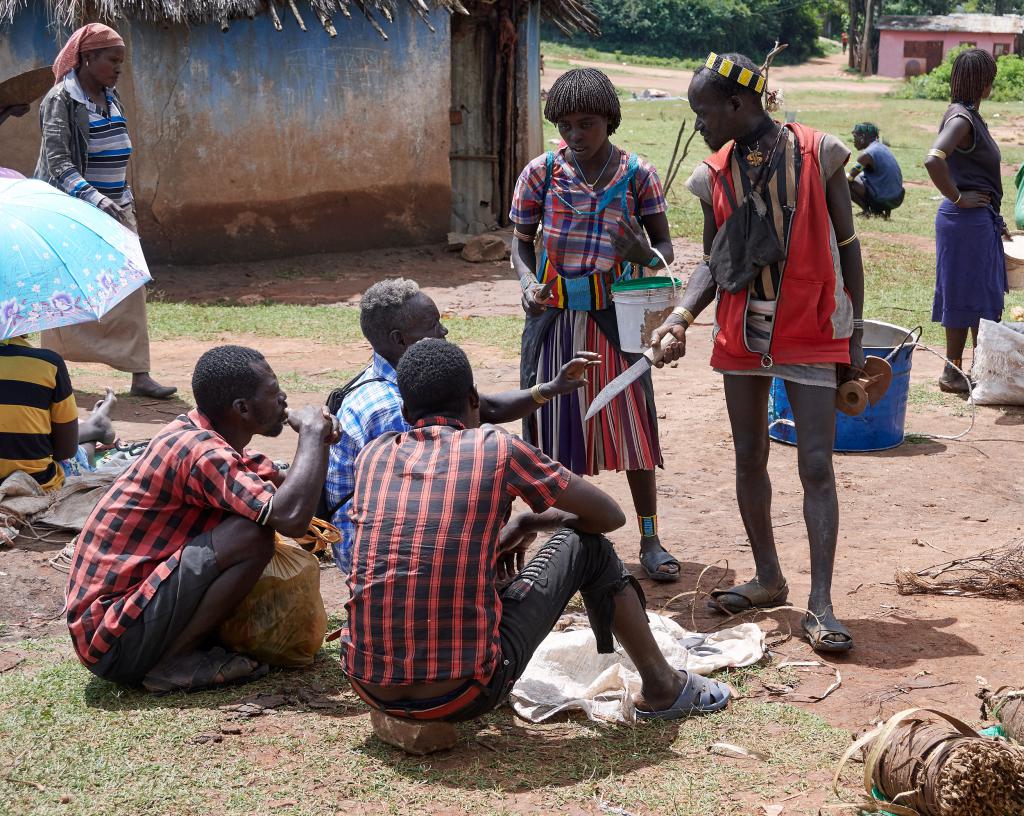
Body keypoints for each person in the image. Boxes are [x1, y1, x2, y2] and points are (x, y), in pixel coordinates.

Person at [341, 339, 731, 722]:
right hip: (462, 694)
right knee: (588, 546)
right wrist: (531, 520)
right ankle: (663, 686)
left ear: (406, 411)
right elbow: (609, 516)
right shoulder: (496, 447)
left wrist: (496, 544)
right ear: (475, 400)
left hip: (369, 686)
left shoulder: (373, 455)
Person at [651, 52, 865, 652]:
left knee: (816, 464)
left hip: (812, 323)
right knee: (749, 456)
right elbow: (714, 261)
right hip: (742, 331)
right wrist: (679, 318)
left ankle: (819, 604)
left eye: (704, 112)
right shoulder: (711, 175)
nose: (699, 125)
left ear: (739, 105)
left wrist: (851, 337)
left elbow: (848, 245)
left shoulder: (819, 153)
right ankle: (769, 576)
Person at [66, 345, 340, 692]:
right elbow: (291, 518)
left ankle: (181, 649)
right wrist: (312, 436)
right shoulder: (202, 452)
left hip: (124, 621)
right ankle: (174, 662)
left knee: (251, 528)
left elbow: (297, 493)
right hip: (113, 636)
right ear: (242, 408)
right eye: (273, 392)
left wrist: (321, 443)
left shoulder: (213, 440)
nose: (283, 398)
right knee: (250, 536)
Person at [510, 67, 682, 583]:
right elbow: (519, 241)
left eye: (586, 124)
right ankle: (561, 538)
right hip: (555, 319)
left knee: (633, 428)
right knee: (555, 431)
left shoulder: (637, 175)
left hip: (616, 320)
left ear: (610, 119)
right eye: (565, 126)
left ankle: (649, 536)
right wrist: (526, 283)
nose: (575, 136)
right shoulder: (540, 173)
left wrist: (643, 253)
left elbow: (665, 249)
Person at [323, 278, 598, 573]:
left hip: (366, 539)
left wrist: (552, 387)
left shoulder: (383, 379)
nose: (444, 331)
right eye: (432, 325)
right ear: (399, 339)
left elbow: (486, 407)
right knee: (486, 458)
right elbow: (436, 487)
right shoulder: (390, 407)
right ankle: (474, 567)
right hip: (372, 553)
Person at [34, 23, 175, 400]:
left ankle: (139, 374)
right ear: (87, 58)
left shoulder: (112, 98)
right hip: (74, 209)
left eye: (121, 61)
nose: (118, 68)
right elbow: (59, 163)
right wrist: (97, 200)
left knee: (129, 286)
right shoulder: (61, 100)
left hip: (115, 207)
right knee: (64, 290)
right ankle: (54, 368)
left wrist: (121, 202)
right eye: (112, 60)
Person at [924, 48, 1008, 394]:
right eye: (990, 78)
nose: (992, 84)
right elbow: (934, 159)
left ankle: (970, 369)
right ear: (981, 82)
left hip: (976, 219)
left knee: (978, 294)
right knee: (965, 293)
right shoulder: (962, 119)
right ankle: (953, 370)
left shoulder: (967, 115)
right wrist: (958, 197)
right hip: (964, 219)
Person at [0, 335, 117, 491]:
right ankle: (96, 426)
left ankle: (96, 425)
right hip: (38, 484)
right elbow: (65, 451)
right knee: (74, 457)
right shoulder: (48, 363)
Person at [848, 123, 905, 218]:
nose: (854, 141)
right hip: (897, 199)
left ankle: (867, 211)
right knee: (863, 176)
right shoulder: (882, 148)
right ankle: (883, 213)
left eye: (855, 137)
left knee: (846, 181)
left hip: (884, 200)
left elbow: (850, 176)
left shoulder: (867, 154)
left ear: (862, 137)